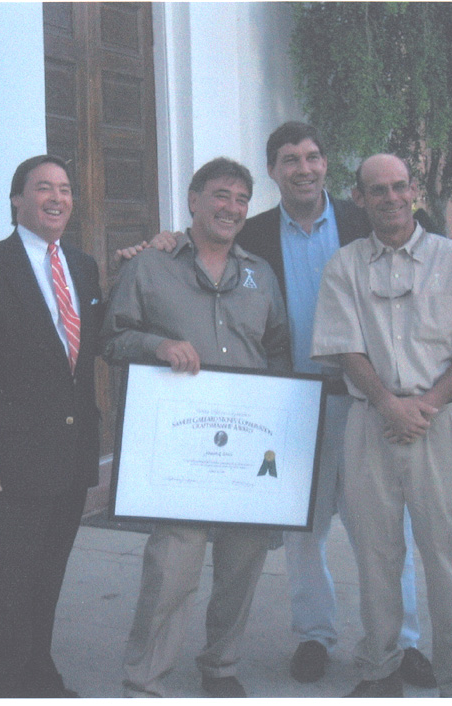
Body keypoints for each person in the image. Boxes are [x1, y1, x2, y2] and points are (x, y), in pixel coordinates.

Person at [118, 122, 434, 688]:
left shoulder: (364, 219)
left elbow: (423, 253)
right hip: (287, 406)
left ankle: (401, 641)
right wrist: (161, 241)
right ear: (275, 170)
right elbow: (204, 250)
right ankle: (314, 634)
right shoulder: (255, 235)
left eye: (313, 157)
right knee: (300, 531)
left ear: (327, 166)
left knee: (383, 530)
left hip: (368, 403)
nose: (304, 168)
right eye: (290, 159)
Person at [311, 153, 452, 698]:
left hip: (440, 424)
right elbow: (344, 346)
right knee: (376, 556)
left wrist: (427, 404)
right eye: (378, 190)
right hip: (370, 422)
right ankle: (380, 670)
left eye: (399, 187)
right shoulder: (345, 266)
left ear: (413, 190)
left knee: (447, 555)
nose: (391, 198)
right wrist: (387, 404)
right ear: (360, 198)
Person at [102, 157, 290, 698]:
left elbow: (277, 349)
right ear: (192, 199)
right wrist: (157, 346)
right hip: (180, 450)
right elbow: (112, 339)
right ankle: (145, 679)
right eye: (221, 195)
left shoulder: (259, 273)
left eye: (240, 199)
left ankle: (221, 665)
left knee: (242, 562)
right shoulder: (151, 266)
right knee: (171, 571)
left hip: (247, 447)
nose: (231, 208)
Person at [0, 155, 103, 698]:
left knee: (45, 581)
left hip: (68, 457)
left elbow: (84, 355)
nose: (56, 197)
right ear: (18, 200)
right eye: (42, 188)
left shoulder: (83, 267)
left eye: (64, 188)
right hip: (7, 464)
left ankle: (37, 673)